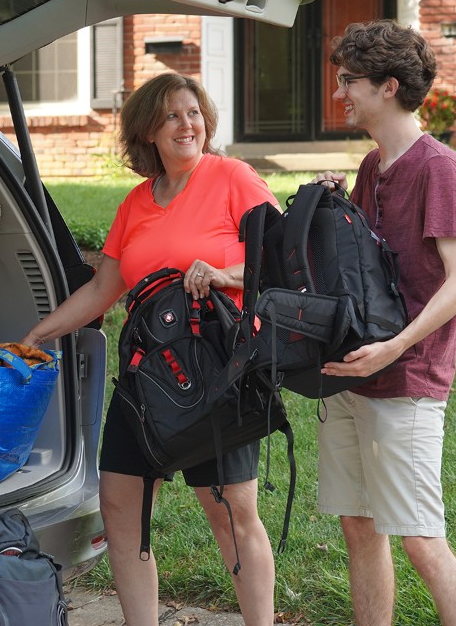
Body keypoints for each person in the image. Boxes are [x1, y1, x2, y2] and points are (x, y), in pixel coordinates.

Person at [21, 72, 280, 626]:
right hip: (148, 371)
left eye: (193, 112)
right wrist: (42, 333)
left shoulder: (233, 178)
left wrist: (223, 273)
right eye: (171, 116)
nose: (187, 125)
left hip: (218, 367)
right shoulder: (136, 203)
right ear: (148, 133)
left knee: (228, 509)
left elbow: (280, 263)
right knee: (119, 499)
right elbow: (101, 289)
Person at [313, 20, 456, 626]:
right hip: (354, 376)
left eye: (349, 82)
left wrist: (395, 348)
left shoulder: (439, 169)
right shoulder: (372, 164)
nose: (341, 93)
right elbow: (363, 264)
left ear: (388, 86)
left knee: (420, 540)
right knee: (359, 527)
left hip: (407, 378)